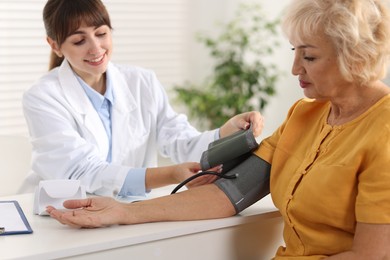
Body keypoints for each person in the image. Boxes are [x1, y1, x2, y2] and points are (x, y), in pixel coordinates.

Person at [47, 0, 390, 258]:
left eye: (309, 57)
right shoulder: (305, 115)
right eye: (294, 52)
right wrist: (122, 211)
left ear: (354, 56)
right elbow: (228, 194)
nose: (294, 68)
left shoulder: (384, 132)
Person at [20, 0, 264, 198]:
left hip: (127, 210)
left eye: (101, 33)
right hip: (59, 215)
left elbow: (179, 141)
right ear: (55, 45)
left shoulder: (141, 81)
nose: (96, 48)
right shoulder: (42, 98)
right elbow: (82, 171)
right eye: (79, 40)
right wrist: (170, 175)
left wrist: (224, 132)